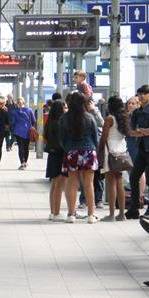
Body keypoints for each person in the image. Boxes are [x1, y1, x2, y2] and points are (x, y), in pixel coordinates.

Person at [60, 92, 100, 223]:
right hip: (88, 151)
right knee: (88, 184)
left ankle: (71, 214)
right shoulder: (89, 117)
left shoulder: (65, 118)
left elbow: (62, 139)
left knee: (72, 183)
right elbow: (95, 137)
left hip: (72, 152)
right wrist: (93, 148)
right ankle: (90, 215)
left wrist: (68, 149)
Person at [99, 96, 132, 222]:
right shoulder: (124, 118)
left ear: (110, 106)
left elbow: (104, 137)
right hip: (121, 151)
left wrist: (100, 149)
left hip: (110, 151)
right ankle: (122, 214)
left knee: (111, 182)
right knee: (119, 182)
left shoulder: (109, 119)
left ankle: (112, 214)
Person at [126, 85, 149, 220]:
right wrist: (145, 131)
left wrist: (140, 131)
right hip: (141, 149)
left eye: (145, 93)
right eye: (140, 94)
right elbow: (131, 131)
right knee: (133, 176)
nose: (142, 96)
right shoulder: (136, 112)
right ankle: (134, 207)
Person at [44, 98, 67, 221]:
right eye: (64, 107)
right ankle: (56, 212)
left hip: (52, 154)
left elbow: (46, 138)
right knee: (59, 183)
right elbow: (62, 141)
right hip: (60, 154)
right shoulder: (60, 123)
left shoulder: (50, 122)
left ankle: (52, 211)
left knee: (54, 183)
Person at [9, 97, 36, 170]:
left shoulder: (14, 112)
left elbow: (13, 122)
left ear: (17, 103)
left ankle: (22, 163)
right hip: (27, 131)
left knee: (20, 148)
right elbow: (34, 121)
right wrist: (32, 126)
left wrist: (13, 130)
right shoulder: (29, 110)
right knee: (26, 147)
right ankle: (25, 162)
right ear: (24, 102)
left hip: (18, 131)